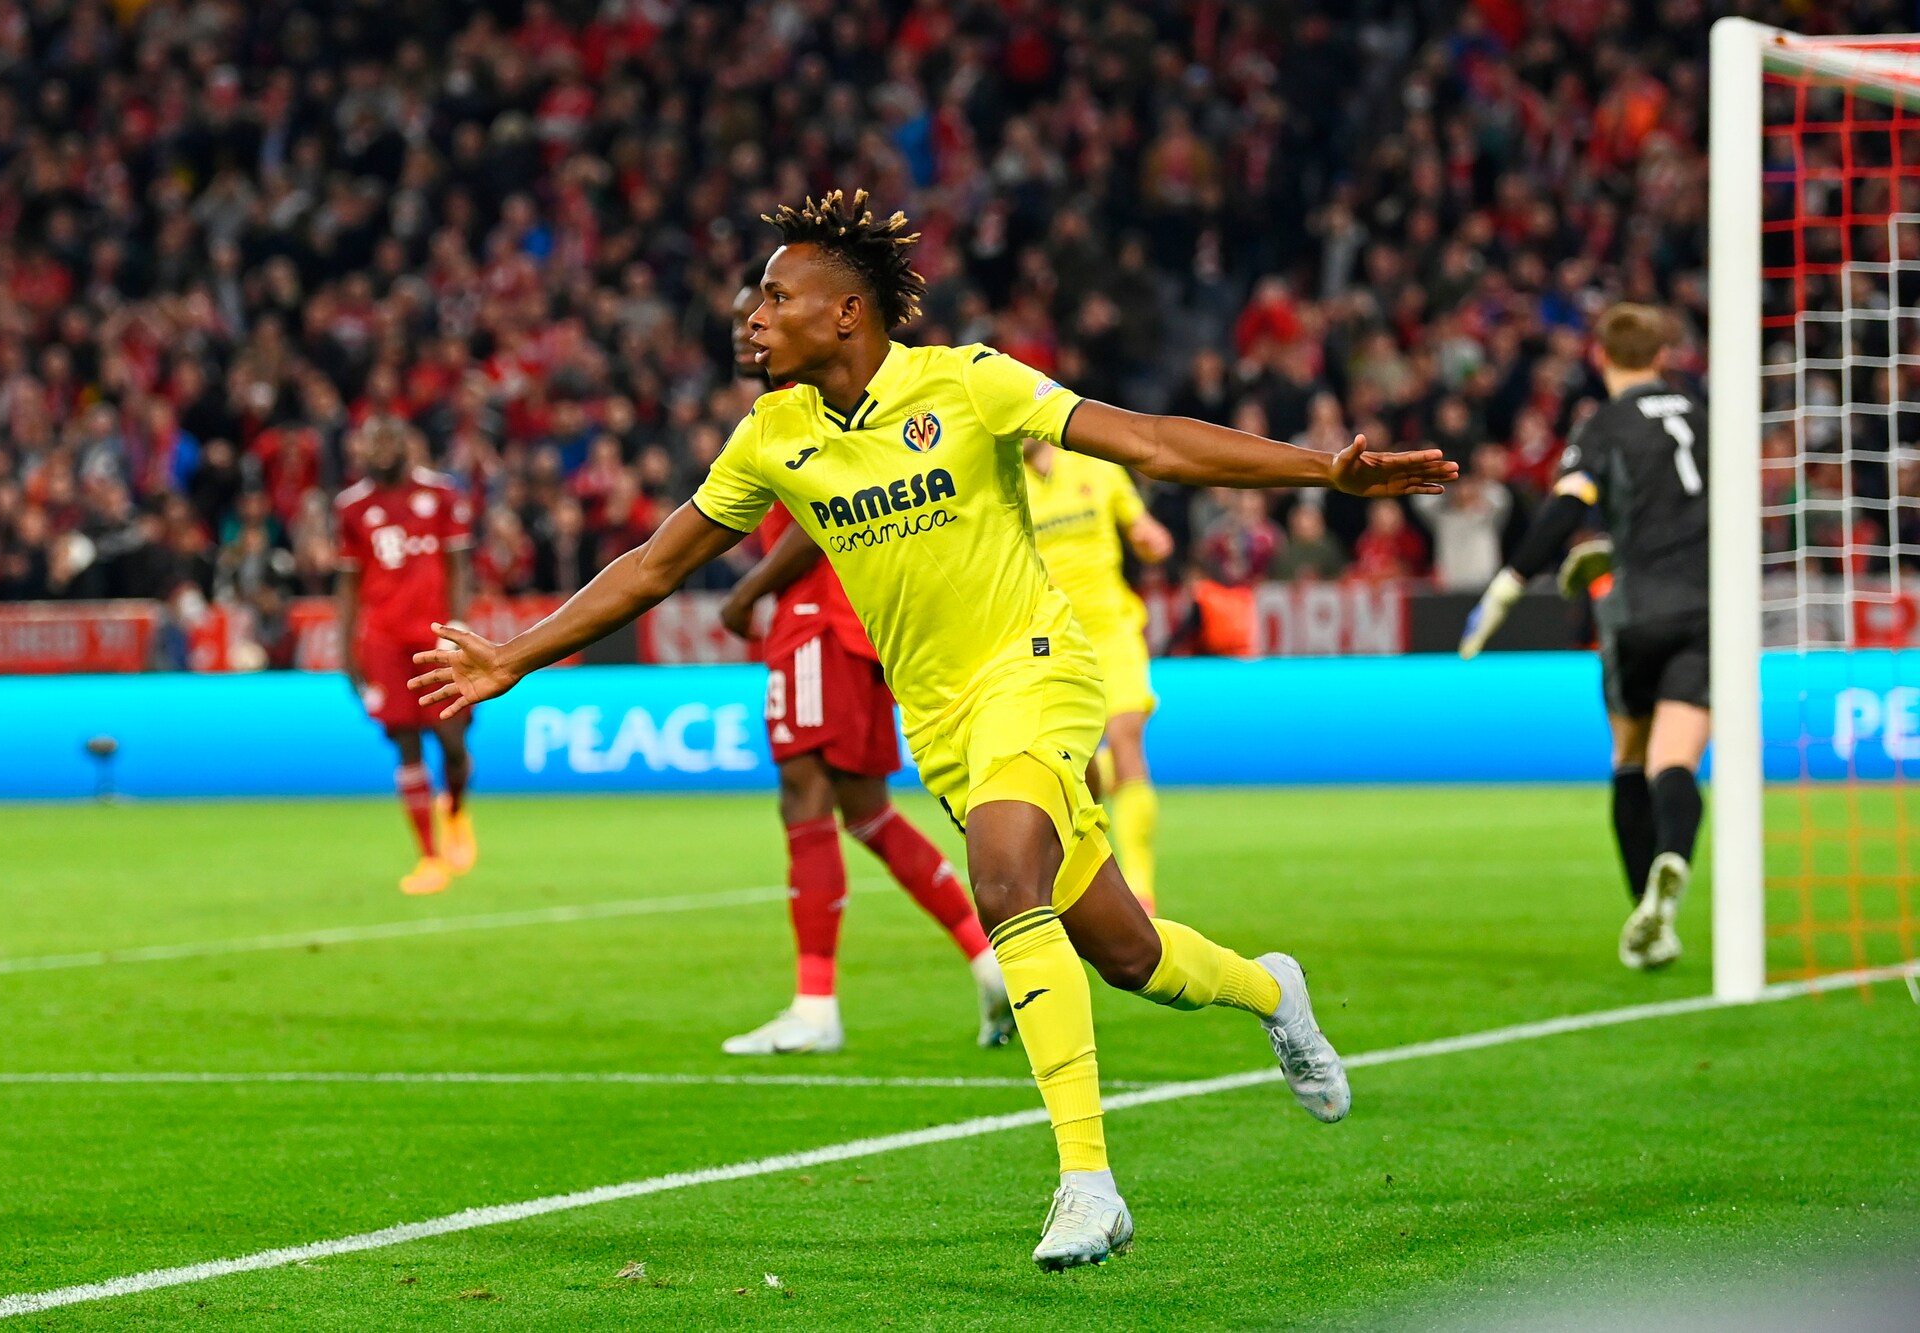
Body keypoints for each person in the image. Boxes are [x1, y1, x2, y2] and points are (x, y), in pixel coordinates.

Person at [412, 191, 1455, 1270]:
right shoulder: (772, 436)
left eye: (776, 297)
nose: (754, 317)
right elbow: (652, 567)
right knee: (1128, 953)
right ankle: (1272, 989)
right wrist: (514, 654)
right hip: (942, 719)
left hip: (1036, 669)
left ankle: (1088, 1183)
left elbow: (1148, 442)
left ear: (847, 313)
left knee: (1002, 879)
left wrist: (1320, 468)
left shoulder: (966, 382)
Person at [714, 269, 1013, 1055]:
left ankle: (814, 1006)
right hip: (866, 623)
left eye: (765, 310)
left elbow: (820, 518)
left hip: (819, 616)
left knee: (803, 795)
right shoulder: (801, 405)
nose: (750, 328)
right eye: (743, 318)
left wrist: (747, 592)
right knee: (868, 810)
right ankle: (988, 961)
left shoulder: (810, 405)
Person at [1459, 303, 1709, 971]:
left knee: (1629, 756)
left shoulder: (1603, 425)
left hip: (1635, 610)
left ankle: (1648, 912)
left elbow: (1566, 506)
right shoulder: (1703, 416)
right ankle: (1672, 862)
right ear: (1663, 357)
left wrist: (1508, 586)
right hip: (1705, 607)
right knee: (1675, 760)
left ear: (1601, 358)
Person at [1021, 434, 1175, 914]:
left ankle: (1142, 889)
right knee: (1074, 766)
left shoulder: (1097, 468)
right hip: (1050, 639)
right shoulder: (1001, 482)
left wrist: (1152, 542)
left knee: (1127, 736)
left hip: (1112, 630)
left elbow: (1144, 530)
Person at [336, 416, 478, 897]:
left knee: (453, 741)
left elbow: (458, 567)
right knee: (406, 742)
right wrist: (346, 651)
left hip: (435, 637)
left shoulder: (441, 494)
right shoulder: (352, 508)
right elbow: (348, 583)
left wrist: (458, 627)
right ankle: (429, 858)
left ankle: (454, 808)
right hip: (383, 641)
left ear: (405, 445)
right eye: (372, 442)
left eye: (388, 440)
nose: (380, 450)